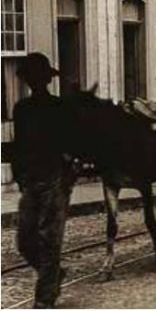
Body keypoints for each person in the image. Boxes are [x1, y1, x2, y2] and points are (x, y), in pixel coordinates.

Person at [12, 53, 75, 308]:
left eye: (38, 78)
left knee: (50, 239)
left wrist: (66, 173)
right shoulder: (22, 109)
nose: (34, 83)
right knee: (25, 241)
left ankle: (44, 299)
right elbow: (18, 146)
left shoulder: (59, 108)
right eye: (31, 78)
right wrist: (19, 176)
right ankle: (55, 275)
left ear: (46, 80)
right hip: (30, 180)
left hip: (54, 178)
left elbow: (72, 143)